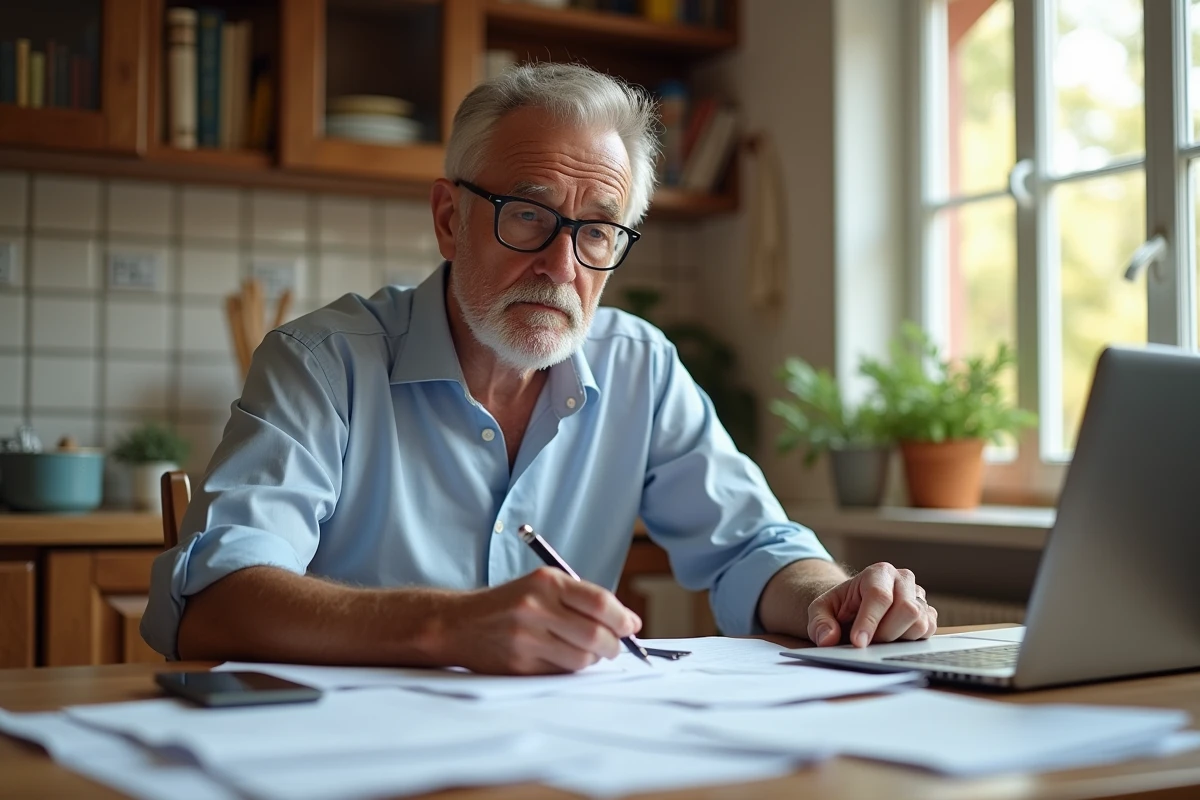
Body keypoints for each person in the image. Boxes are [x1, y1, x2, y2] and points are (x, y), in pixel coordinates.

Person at [142, 63, 937, 674]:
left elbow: (751, 548)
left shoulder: (638, 367)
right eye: (528, 214)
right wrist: (446, 626)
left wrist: (830, 599)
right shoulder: (322, 363)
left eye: (597, 232)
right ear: (450, 220)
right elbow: (212, 600)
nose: (562, 265)